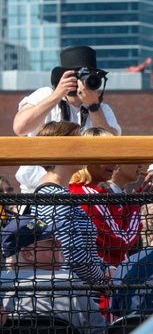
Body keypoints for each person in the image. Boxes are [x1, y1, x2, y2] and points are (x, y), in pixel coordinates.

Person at [13, 46, 121, 192]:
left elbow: (113, 147)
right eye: (77, 75)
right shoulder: (45, 95)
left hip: (83, 191)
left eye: (89, 75)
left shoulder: (102, 109)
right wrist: (57, 94)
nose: (81, 81)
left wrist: (93, 106)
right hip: (36, 189)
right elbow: (20, 128)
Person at [0, 215, 106, 334]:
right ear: (29, 254)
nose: (59, 243)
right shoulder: (68, 281)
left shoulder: (2, 282)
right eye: (50, 240)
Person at [31, 121, 109, 289]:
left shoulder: (60, 194)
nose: (84, 149)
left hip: (77, 292)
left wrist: (107, 269)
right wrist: (103, 279)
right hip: (69, 296)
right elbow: (74, 255)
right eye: (78, 142)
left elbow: (82, 252)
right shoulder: (54, 196)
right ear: (61, 149)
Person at [67, 127, 151, 267]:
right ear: (90, 157)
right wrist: (138, 203)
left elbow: (118, 227)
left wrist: (137, 199)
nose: (115, 163)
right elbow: (121, 242)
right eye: (109, 155)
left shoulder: (84, 191)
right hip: (103, 281)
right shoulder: (91, 197)